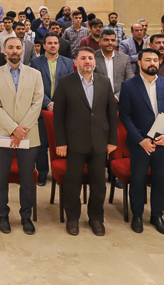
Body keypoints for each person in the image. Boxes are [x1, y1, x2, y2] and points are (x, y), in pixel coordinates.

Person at [53, 47, 118, 236]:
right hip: (74, 142)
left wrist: (112, 140)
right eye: (83, 58)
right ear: (76, 62)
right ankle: (72, 218)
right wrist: (61, 142)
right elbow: (58, 116)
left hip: (99, 141)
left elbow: (112, 114)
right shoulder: (65, 83)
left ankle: (96, 218)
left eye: (90, 58)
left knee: (99, 183)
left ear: (95, 62)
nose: (87, 61)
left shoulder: (104, 82)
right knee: (72, 182)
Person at [119, 48, 164, 235]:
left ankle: (157, 216)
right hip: (140, 143)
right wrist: (141, 140)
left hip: (163, 142)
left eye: (155, 60)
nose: (152, 63)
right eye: (148, 60)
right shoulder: (129, 86)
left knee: (161, 181)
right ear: (139, 63)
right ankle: (137, 215)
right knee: (138, 181)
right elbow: (125, 116)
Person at [0, 37, 44, 235]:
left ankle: (26, 216)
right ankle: (3, 214)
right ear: (4, 51)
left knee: (27, 178)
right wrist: (13, 129)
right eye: (10, 47)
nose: (14, 50)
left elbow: (37, 103)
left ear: (23, 50)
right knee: (1, 177)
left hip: (28, 134)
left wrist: (22, 130)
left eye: (18, 47)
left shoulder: (35, 74)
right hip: (3, 133)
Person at [29, 33, 74, 186]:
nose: (53, 45)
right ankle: (42, 173)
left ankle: (59, 173)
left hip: (62, 110)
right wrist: (48, 103)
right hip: (41, 110)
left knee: (60, 142)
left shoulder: (68, 63)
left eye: (55, 43)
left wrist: (59, 104)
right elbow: (34, 87)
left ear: (59, 45)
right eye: (49, 43)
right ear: (44, 46)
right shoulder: (35, 62)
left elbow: (70, 86)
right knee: (41, 144)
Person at [93, 30, 134, 98]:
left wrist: (117, 97)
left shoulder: (124, 58)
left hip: (120, 99)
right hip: (98, 99)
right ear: (99, 42)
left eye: (113, 40)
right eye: (106, 40)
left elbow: (130, 81)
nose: (110, 43)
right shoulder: (92, 58)